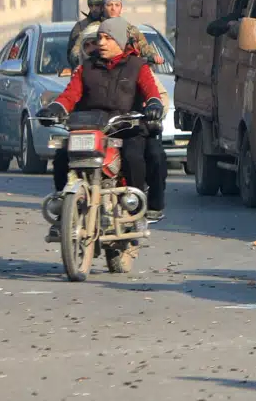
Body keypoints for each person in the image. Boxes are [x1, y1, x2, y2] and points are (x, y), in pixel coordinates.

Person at [42, 18, 167, 238]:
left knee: (133, 156)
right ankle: (63, 211)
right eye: (99, 37)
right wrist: (55, 108)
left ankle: (135, 210)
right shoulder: (86, 67)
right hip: (90, 127)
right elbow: (70, 95)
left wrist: (154, 105)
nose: (101, 42)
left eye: (107, 38)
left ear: (120, 41)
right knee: (63, 157)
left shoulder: (138, 66)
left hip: (126, 127)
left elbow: (151, 92)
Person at [66, 0, 109, 69]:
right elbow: (72, 56)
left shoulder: (113, 24)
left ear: (104, 5)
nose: (94, 9)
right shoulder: (80, 26)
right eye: (91, 5)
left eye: (97, 5)